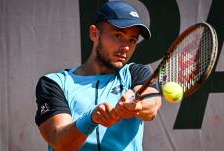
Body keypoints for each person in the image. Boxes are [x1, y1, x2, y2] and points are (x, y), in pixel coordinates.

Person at [35, 1, 162, 151]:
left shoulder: (136, 73)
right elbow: (60, 143)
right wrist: (91, 118)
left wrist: (137, 105)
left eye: (132, 40)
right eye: (118, 35)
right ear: (95, 33)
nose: (125, 47)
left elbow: (152, 103)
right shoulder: (54, 83)